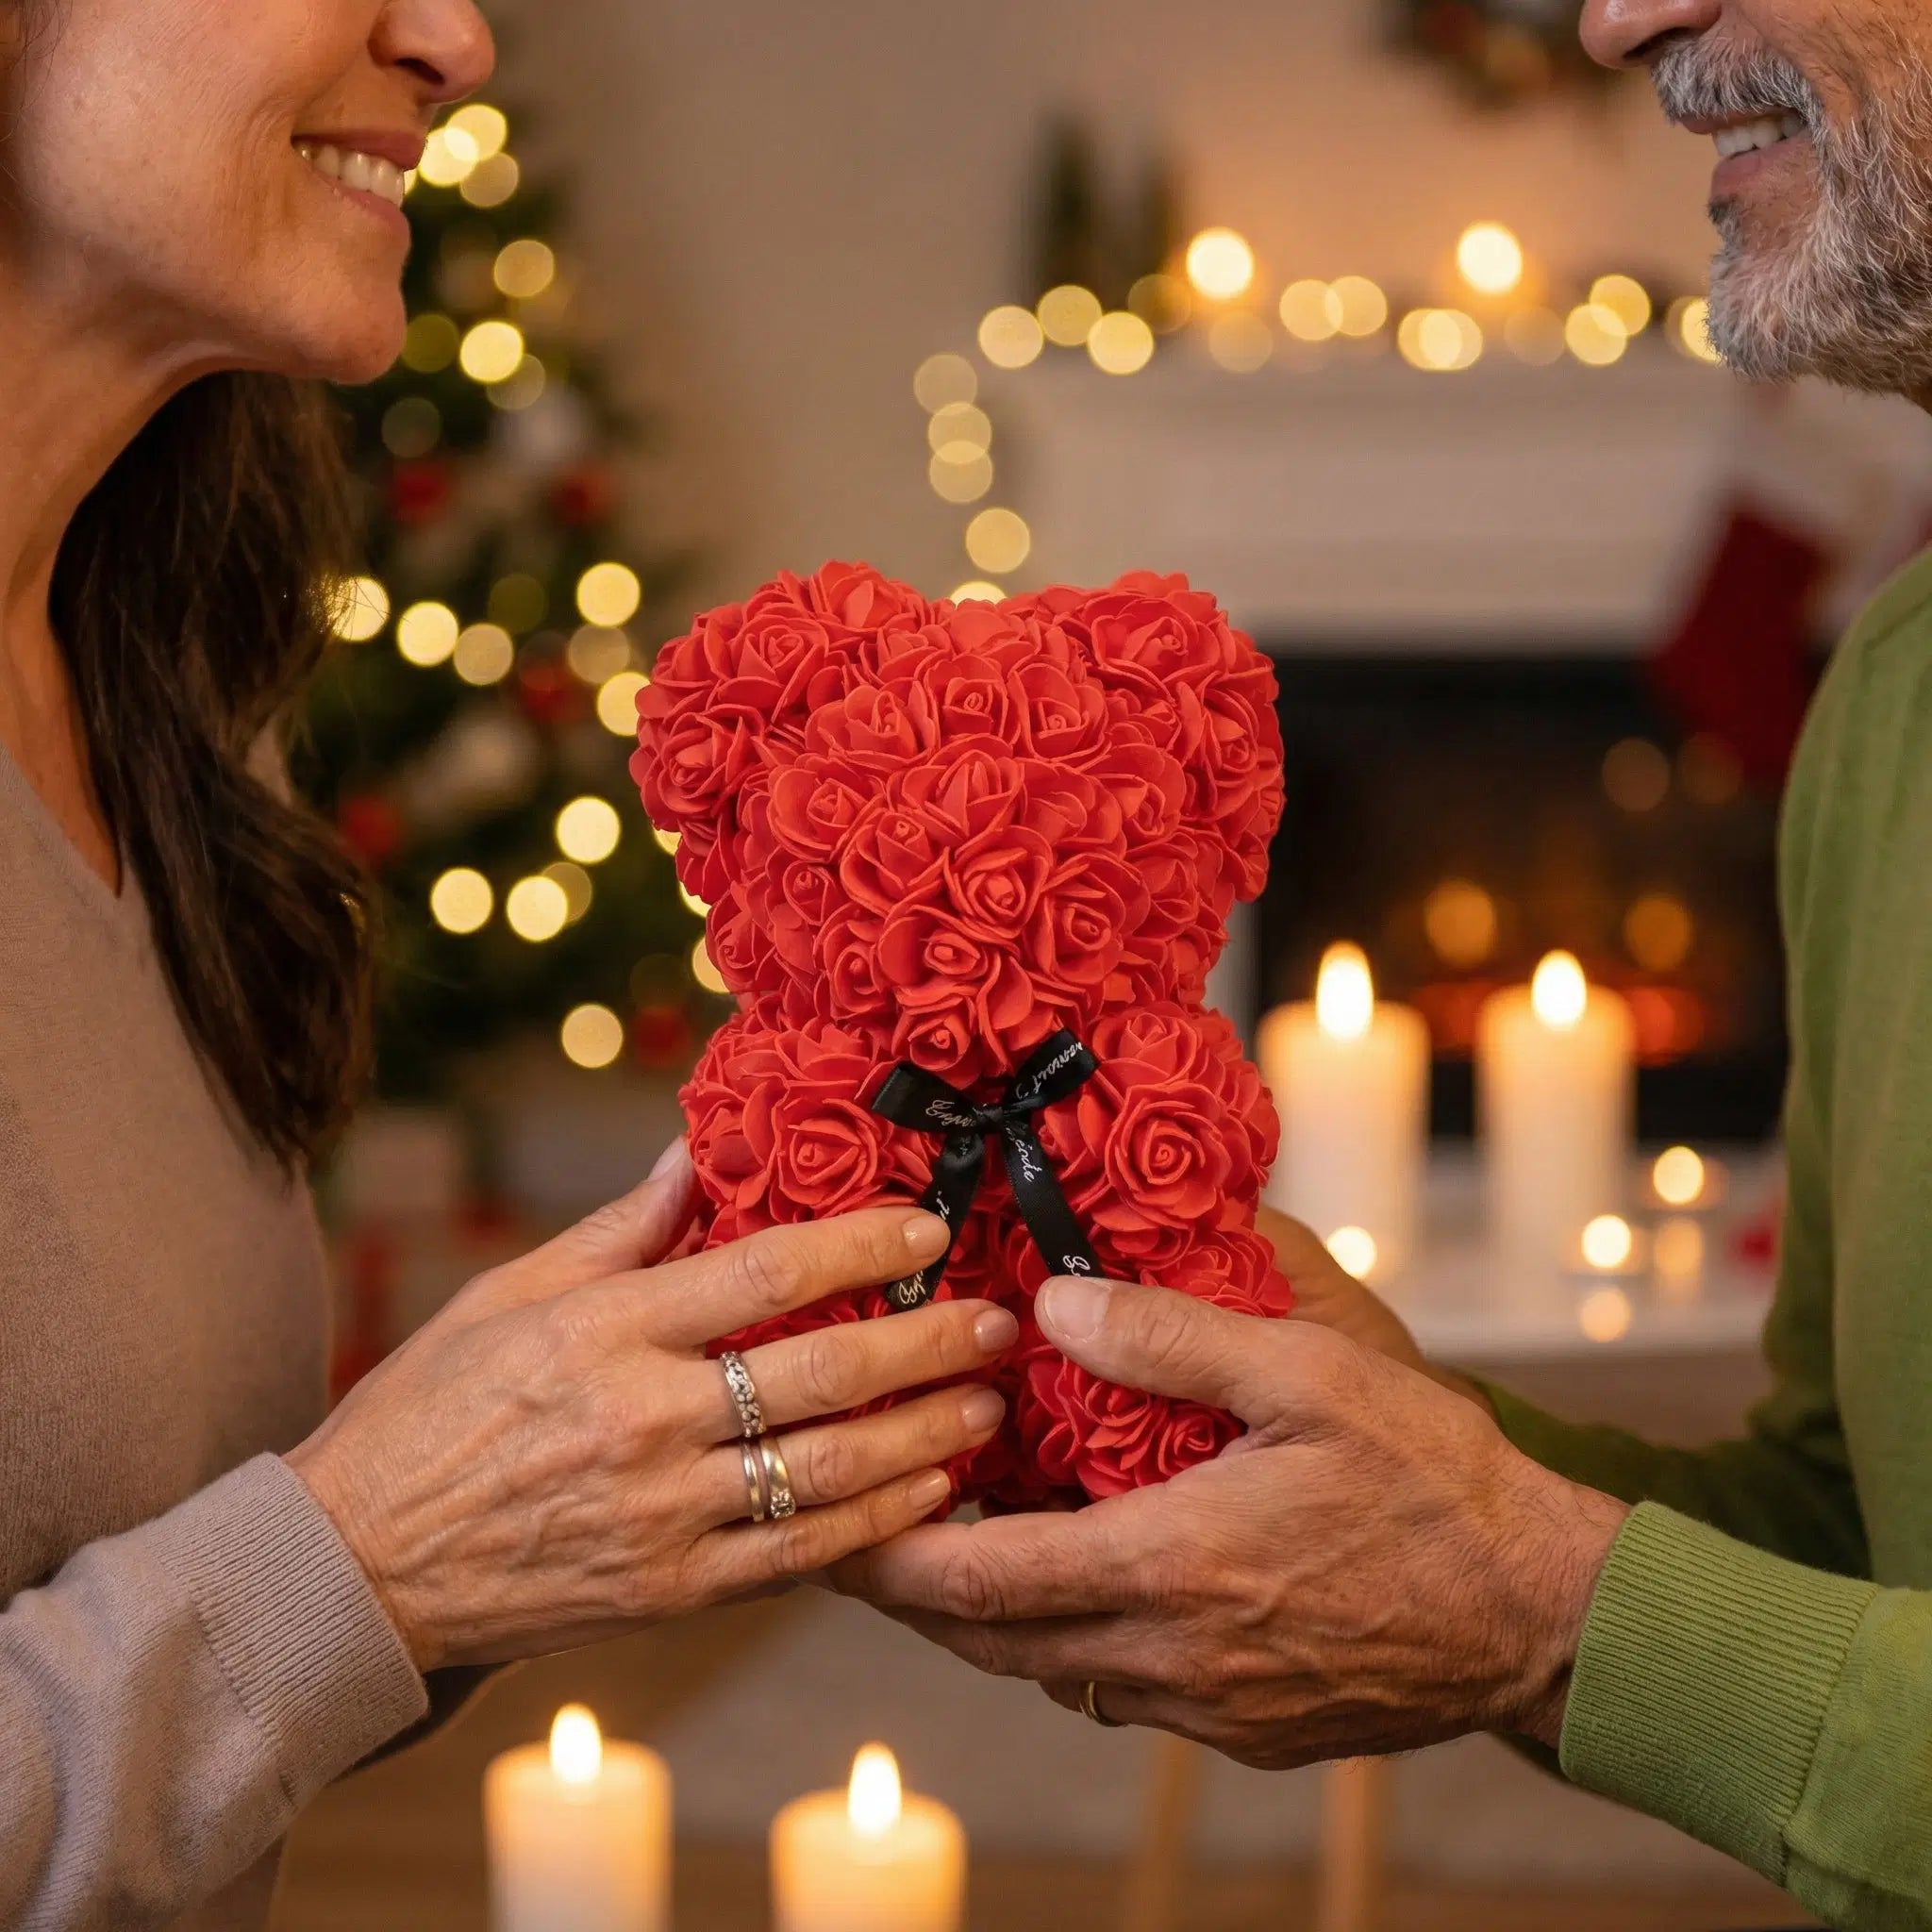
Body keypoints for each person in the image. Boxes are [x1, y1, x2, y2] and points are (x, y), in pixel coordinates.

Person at [841, 1, 1932, 1924]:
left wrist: (1544, 1611)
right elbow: (1848, 1534)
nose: (1616, 19)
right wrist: (1402, 1441)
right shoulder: (1890, 695)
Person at [0, 4, 1022, 1926]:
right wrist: (365, 1560)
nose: (454, 37)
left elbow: (171, 1609)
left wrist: (571, 1469)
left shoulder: (170, 688)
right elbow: (274, 1593)